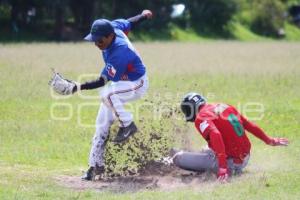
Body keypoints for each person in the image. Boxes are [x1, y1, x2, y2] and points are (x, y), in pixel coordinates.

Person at [68, 10, 153, 180]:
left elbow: (102, 81)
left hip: (137, 83)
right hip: (122, 83)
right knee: (101, 124)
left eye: (99, 40)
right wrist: (143, 16)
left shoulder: (119, 52)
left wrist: (78, 87)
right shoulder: (113, 27)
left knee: (106, 93)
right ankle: (95, 167)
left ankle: (128, 125)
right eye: (93, 40)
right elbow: (129, 22)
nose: (96, 44)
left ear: (109, 36)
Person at [173, 92, 289, 182]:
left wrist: (223, 168)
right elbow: (248, 125)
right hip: (245, 157)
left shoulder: (200, 118)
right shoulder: (224, 106)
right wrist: (269, 140)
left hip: (231, 164)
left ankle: (168, 161)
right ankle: (228, 163)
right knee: (205, 149)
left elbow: (216, 135)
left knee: (177, 157)